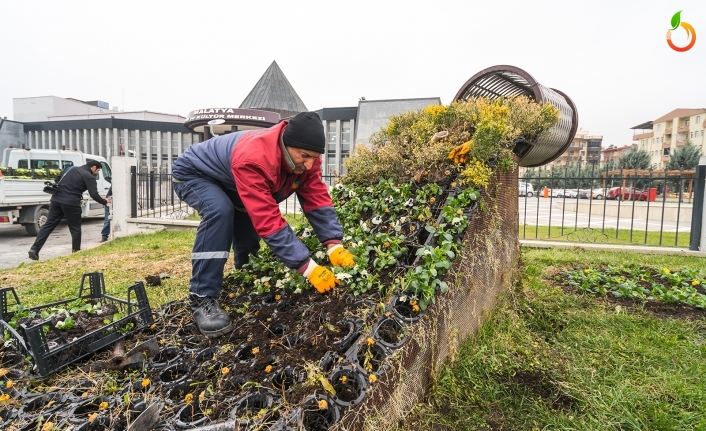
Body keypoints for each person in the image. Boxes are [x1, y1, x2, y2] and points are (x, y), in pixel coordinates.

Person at [172, 112, 355, 338]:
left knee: (247, 235)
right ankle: (202, 298)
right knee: (220, 211)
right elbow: (268, 218)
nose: (309, 165)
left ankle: (244, 277)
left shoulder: (307, 159)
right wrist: (308, 267)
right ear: (286, 146)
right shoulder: (255, 157)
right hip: (195, 174)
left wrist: (333, 243)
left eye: (314, 158)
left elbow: (316, 197)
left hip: (231, 180)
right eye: (304, 156)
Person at [28, 160, 111, 260]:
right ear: (93, 167)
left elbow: (57, 179)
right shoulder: (89, 176)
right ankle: (76, 252)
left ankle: (34, 249)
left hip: (56, 200)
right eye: (97, 170)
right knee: (75, 228)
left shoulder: (69, 169)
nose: (97, 173)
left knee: (48, 225)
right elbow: (93, 194)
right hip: (71, 202)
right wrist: (105, 202)